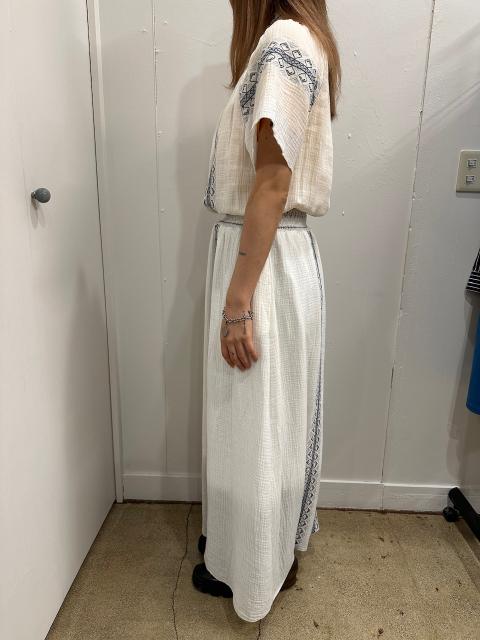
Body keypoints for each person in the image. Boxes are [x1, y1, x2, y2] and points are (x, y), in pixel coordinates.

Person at [192, 0, 341, 623]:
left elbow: (273, 182)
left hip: (263, 264)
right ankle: (255, 549)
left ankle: (254, 571)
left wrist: (237, 302)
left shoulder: (284, 42)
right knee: (260, 421)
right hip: (272, 256)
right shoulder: (302, 41)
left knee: (255, 423)